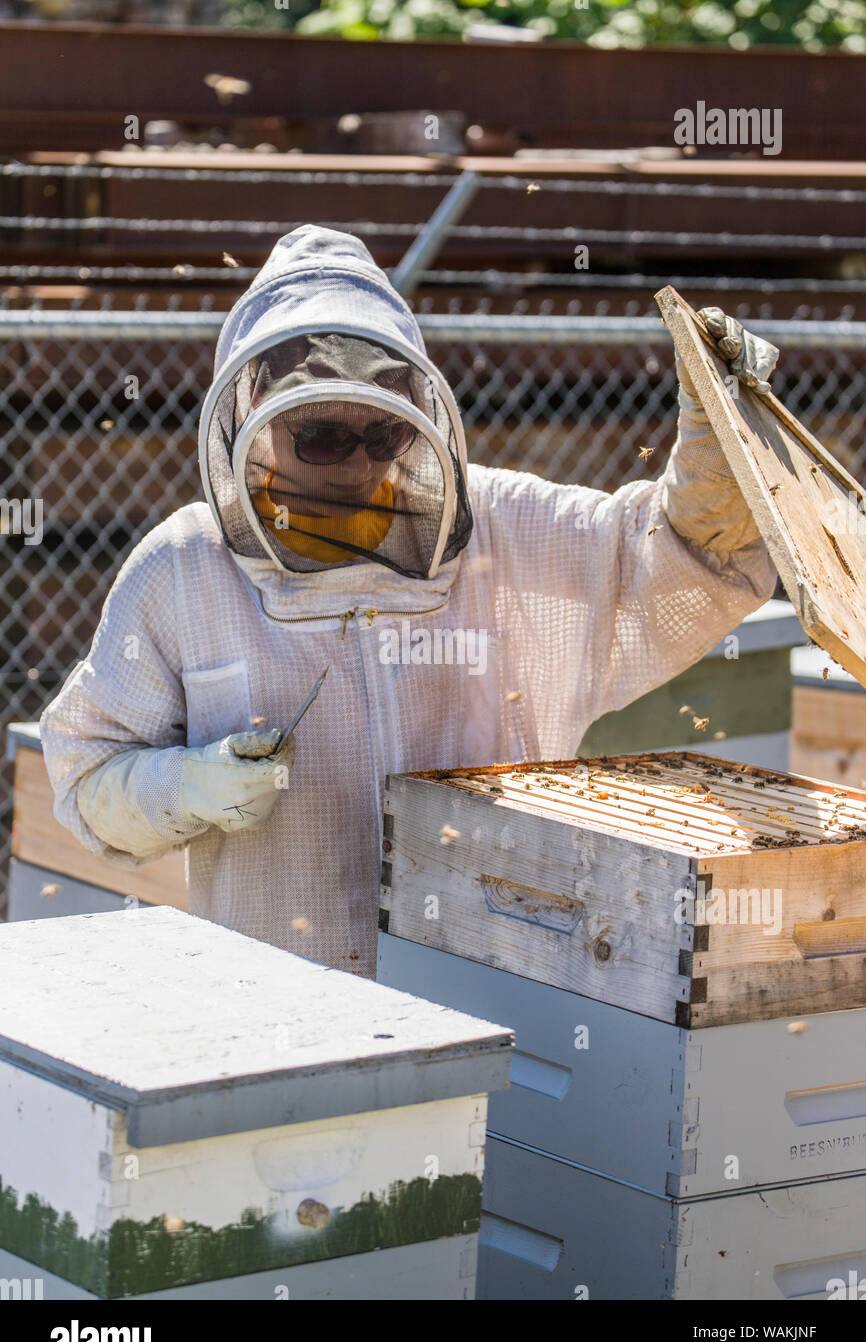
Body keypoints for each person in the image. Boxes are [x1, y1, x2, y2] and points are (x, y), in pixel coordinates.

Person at [40, 225, 778, 979]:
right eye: (321, 436)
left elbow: (670, 558)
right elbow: (84, 778)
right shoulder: (186, 569)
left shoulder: (502, 529)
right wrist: (191, 785)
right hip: (277, 1004)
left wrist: (715, 445)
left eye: (384, 433)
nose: (357, 463)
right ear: (254, 408)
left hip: (494, 990)